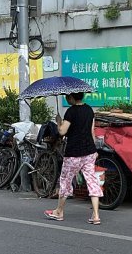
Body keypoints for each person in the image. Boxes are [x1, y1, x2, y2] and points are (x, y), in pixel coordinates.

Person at [44, 92, 102, 225]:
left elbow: (62, 132)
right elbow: (91, 131)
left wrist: (59, 122)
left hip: (74, 153)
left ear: (71, 97)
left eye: (67, 96)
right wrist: (95, 150)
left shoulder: (71, 112)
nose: (66, 98)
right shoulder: (89, 110)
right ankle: (96, 215)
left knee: (65, 180)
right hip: (89, 152)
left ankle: (59, 211)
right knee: (92, 181)